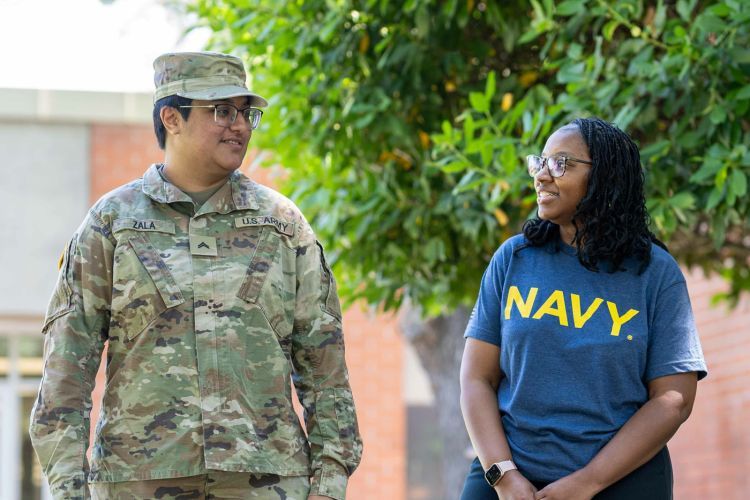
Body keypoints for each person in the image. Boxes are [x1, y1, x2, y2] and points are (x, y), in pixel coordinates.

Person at [29, 51, 362, 500]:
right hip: (139, 482)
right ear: (172, 117)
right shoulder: (111, 223)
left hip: (267, 482)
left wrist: (329, 482)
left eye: (246, 113)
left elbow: (324, 368)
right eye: (221, 111)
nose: (240, 125)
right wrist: (70, 490)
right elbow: (66, 371)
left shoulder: (283, 225)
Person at [459, 117, 707, 500]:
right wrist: (503, 475)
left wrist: (587, 482)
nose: (541, 175)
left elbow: (673, 399)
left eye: (560, 163)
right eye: (539, 162)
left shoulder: (654, 273)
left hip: (619, 478)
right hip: (509, 471)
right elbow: (476, 378)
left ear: (606, 177)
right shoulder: (514, 259)